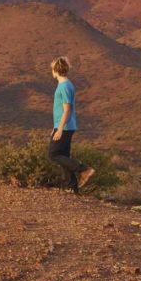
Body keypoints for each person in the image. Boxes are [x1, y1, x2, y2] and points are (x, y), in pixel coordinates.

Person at [48, 56, 95, 193]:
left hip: (66, 126)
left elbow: (67, 109)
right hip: (64, 125)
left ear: (56, 70)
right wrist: (55, 127)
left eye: (52, 69)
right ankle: (73, 188)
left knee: (53, 154)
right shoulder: (66, 84)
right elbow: (61, 109)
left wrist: (60, 129)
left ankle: (84, 169)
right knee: (64, 157)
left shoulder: (64, 86)